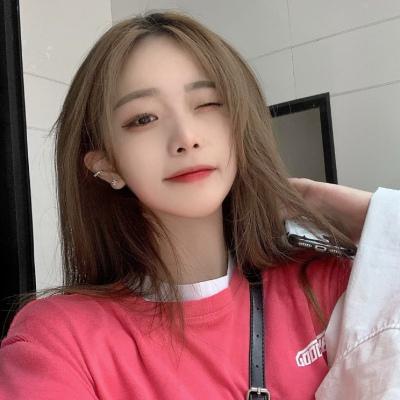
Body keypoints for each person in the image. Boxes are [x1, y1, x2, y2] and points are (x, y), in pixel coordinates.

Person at [0, 10, 388, 399]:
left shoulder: (322, 284)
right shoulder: (58, 340)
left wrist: (362, 214)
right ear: (107, 164)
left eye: (207, 103)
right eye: (144, 118)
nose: (186, 137)